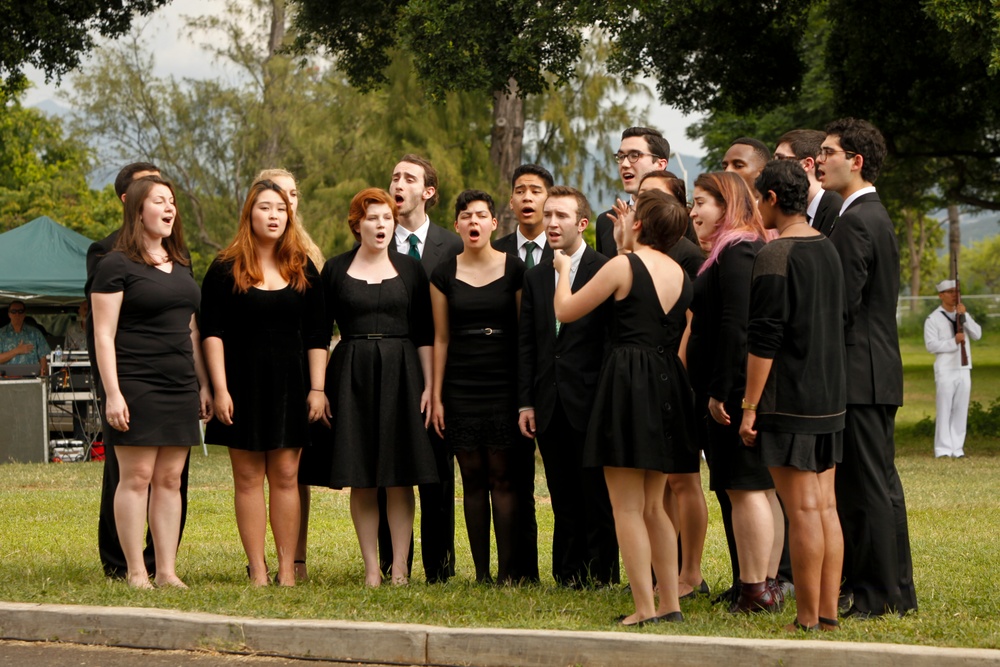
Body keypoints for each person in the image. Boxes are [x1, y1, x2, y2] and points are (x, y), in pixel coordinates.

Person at [554, 189, 694, 625]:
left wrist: (562, 270)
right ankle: (669, 604)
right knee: (654, 505)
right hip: (665, 383)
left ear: (638, 224)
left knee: (627, 507)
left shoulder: (623, 265)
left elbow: (567, 309)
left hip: (627, 384)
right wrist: (622, 246)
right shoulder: (679, 272)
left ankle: (643, 608)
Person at [299, 188, 438, 587]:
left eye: (387, 218)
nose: (381, 225)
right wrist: (318, 388)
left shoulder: (411, 269)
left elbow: (425, 333)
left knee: (398, 476)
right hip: (351, 376)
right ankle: (372, 569)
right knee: (361, 476)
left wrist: (429, 386)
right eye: (373, 218)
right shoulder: (336, 270)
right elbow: (319, 333)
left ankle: (399, 568)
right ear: (357, 224)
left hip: (403, 375)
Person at [201, 179, 328, 587]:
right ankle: (257, 569)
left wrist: (318, 388)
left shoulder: (302, 266)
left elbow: (317, 335)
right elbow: (212, 333)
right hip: (242, 385)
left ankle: (287, 569)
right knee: (248, 479)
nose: (273, 216)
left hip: (293, 385)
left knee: (288, 476)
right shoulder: (224, 267)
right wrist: (220, 389)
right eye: (264, 208)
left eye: (280, 209)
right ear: (249, 214)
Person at [738, 160, 847, 632]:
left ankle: (806, 619)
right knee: (825, 507)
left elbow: (764, 339)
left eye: (756, 198)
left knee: (802, 510)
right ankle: (826, 614)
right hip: (829, 395)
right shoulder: (828, 248)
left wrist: (748, 407)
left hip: (788, 399)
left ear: (772, 200)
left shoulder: (775, 254)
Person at [90, 175, 213, 589]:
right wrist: (113, 394)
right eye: (160, 200)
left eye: (172, 201)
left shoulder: (180, 262)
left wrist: (203, 385)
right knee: (137, 477)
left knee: (169, 479)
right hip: (136, 382)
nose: (169, 207)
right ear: (138, 210)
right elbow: (103, 334)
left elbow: (192, 330)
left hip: (179, 384)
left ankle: (166, 570)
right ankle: (136, 572)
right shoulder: (115, 265)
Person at [818, 117, 917, 618]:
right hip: (875, 370)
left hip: (861, 373)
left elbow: (842, 306)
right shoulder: (870, 214)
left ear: (855, 161)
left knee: (865, 488)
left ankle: (878, 595)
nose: (819, 158)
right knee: (881, 485)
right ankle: (896, 592)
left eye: (829, 151)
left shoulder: (857, 219)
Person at [687, 171, 784, 613]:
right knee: (759, 488)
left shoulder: (739, 249)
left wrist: (722, 390)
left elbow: (737, 325)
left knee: (746, 488)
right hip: (745, 390)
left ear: (727, 205)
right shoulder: (739, 246)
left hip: (737, 392)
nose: (694, 211)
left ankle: (756, 588)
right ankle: (764, 585)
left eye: (702, 202)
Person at [517, 185, 618, 588]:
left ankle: (602, 573)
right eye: (548, 216)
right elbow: (529, 343)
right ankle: (567, 572)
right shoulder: (538, 275)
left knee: (596, 492)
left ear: (581, 224)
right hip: (549, 399)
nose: (552, 223)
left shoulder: (605, 267)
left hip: (591, 397)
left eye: (561, 216)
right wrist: (526, 402)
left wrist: (608, 399)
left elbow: (610, 340)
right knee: (561, 493)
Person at [430, 190, 526, 584]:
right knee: (471, 478)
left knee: (503, 477)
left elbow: (524, 336)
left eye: (481, 216)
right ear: (457, 225)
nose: (473, 222)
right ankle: (482, 574)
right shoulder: (442, 272)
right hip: (460, 384)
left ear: (493, 224)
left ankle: (506, 573)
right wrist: (435, 395)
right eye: (466, 216)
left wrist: (525, 396)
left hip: (504, 382)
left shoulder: (515, 269)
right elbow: (440, 338)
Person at [381, 154, 463, 583]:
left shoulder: (452, 246)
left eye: (408, 178)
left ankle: (440, 567)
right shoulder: (375, 241)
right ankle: (391, 564)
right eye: (394, 177)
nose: (398, 183)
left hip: (440, 380)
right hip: (388, 375)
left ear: (427, 192)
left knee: (436, 475)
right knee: (387, 474)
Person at [633, 173, 708, 599]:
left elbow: (691, 322)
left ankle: (691, 570)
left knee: (683, 478)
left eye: (654, 196)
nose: (646, 202)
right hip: (648, 378)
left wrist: (676, 370)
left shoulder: (688, 255)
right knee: (654, 484)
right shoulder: (635, 252)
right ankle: (662, 569)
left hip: (676, 376)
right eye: (643, 195)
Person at [925, 279, 982, 459]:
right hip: (945, 369)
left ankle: (957, 448)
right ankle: (942, 449)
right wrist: (953, 342)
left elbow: (977, 334)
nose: (954, 295)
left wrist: (964, 317)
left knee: (960, 409)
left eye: (956, 291)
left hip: (963, 367)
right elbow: (931, 345)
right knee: (945, 408)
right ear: (941, 295)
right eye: (949, 292)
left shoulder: (962, 314)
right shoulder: (933, 319)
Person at [595, 127, 671, 258]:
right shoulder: (606, 222)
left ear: (660, 164)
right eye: (620, 156)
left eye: (634, 156)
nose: (624, 164)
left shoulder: (683, 219)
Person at [773, 130, 843, 236]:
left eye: (780, 159)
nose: (772, 167)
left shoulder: (836, 209)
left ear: (807, 164)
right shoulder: (793, 210)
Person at [492, 164, 555, 267]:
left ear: (550, 201)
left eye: (535, 192)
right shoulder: (495, 251)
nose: (527, 198)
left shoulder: (565, 252)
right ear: (511, 202)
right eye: (520, 192)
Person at [0, 300, 50, 374]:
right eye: (13, 311)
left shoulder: (35, 333)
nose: (17, 314)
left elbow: (43, 359)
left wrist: (43, 376)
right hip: (7, 380)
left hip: (32, 379)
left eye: (20, 311)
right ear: (9, 314)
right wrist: (16, 351)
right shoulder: (1, 333)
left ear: (24, 314)